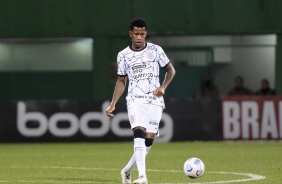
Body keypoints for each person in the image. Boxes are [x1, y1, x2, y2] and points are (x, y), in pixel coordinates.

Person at [105, 18, 175, 184]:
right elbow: (121, 81)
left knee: (149, 140)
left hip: (155, 100)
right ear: (130, 34)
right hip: (135, 99)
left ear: (145, 34)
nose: (139, 37)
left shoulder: (156, 50)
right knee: (138, 131)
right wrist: (113, 103)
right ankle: (142, 176)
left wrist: (163, 86)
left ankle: (127, 170)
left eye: (142, 34)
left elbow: (171, 70)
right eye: (136, 34)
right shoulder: (123, 55)